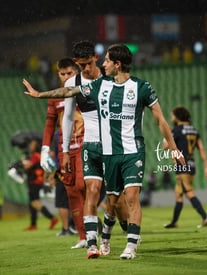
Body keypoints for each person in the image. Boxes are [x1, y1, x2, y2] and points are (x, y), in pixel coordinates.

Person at [23, 43, 185, 260]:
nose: (102, 64)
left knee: (130, 197)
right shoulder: (101, 85)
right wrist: (40, 94)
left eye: (106, 60)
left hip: (132, 150)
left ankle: (130, 245)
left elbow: (160, 119)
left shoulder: (140, 87)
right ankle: (100, 239)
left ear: (116, 64)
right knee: (110, 200)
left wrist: (174, 150)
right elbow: (69, 92)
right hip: (105, 151)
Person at [61, 40, 129, 258]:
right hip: (90, 145)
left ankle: (129, 229)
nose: (87, 69)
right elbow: (68, 117)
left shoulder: (110, 79)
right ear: (76, 63)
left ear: (96, 58)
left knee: (115, 201)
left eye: (89, 64)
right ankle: (92, 244)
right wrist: (64, 150)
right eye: (82, 66)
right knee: (91, 190)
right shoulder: (73, 82)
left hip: (114, 147)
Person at [40, 57, 81, 240]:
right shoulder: (55, 97)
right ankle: (81, 233)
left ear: (76, 72)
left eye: (69, 73)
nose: (65, 77)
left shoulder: (84, 90)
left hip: (86, 145)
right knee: (70, 190)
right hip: (65, 149)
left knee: (87, 187)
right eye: (62, 74)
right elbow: (50, 123)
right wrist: (45, 148)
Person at [162, 106, 207, 229]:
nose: (171, 117)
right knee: (179, 194)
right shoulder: (194, 130)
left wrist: (166, 133)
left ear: (177, 117)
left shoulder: (177, 130)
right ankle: (174, 222)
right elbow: (201, 148)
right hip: (192, 164)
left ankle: (205, 217)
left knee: (189, 192)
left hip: (182, 165)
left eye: (172, 115)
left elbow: (165, 146)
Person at [22, 138, 58, 231]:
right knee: (31, 203)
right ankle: (33, 224)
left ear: (36, 146)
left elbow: (27, 166)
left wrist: (21, 163)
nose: (30, 146)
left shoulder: (35, 156)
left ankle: (52, 218)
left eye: (32, 144)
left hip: (34, 182)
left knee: (35, 202)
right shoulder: (38, 156)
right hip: (35, 181)